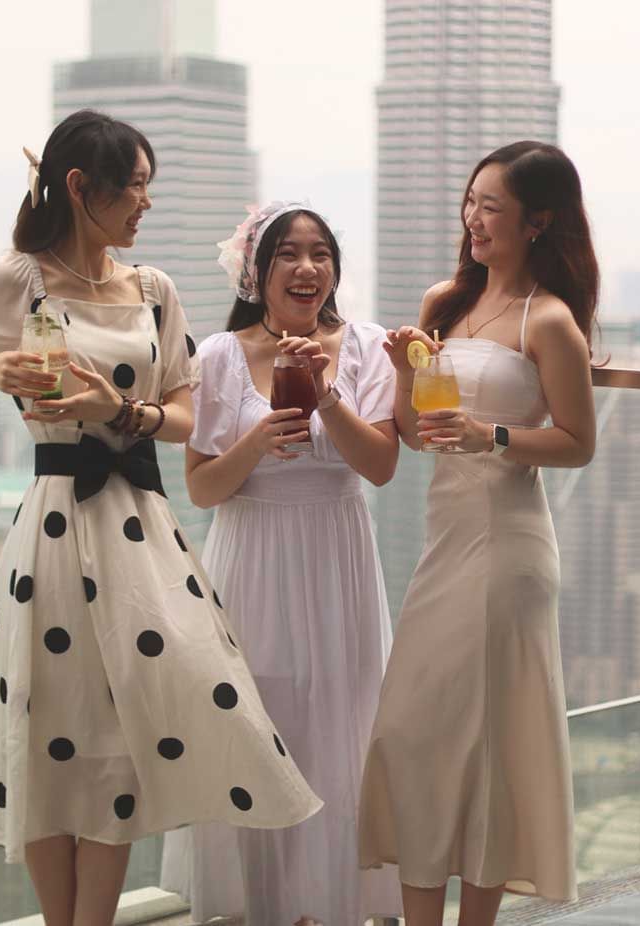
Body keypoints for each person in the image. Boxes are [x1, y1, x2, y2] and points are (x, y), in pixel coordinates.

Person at [0, 112, 320, 926]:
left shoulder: (152, 288)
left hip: (139, 528)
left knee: (121, 738)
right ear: (82, 189)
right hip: (51, 528)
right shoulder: (22, 280)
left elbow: (185, 414)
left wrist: (120, 408)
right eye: (136, 187)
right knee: (55, 739)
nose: (145, 204)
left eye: (150, 187)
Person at [358, 141, 599, 926]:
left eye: (490, 207)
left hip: (508, 547)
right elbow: (414, 430)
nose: (473, 219)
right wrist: (402, 369)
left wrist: (488, 435)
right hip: (444, 543)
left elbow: (577, 442)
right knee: (413, 730)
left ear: (538, 222)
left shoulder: (550, 320)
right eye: (470, 203)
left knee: (487, 744)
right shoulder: (443, 303)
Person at [161, 202, 403, 926]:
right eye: (288, 255)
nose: (307, 268)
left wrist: (326, 394)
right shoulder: (216, 356)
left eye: (321, 253)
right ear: (256, 273)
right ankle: (259, 909)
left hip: (337, 564)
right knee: (257, 730)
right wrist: (256, 443)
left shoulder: (366, 345)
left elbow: (382, 465)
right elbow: (203, 486)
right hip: (249, 567)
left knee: (339, 732)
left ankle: (329, 910)